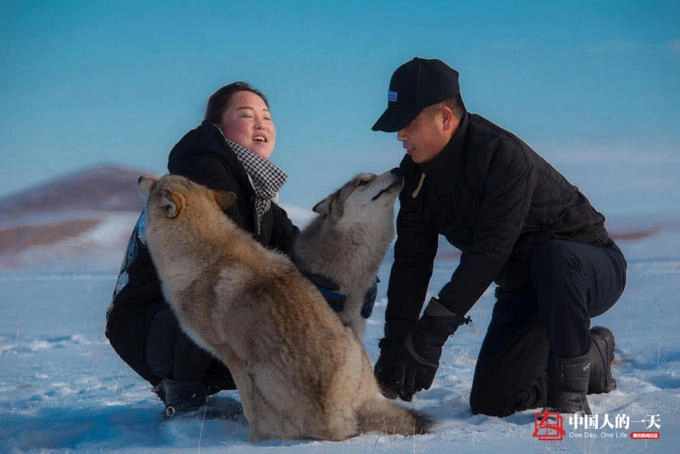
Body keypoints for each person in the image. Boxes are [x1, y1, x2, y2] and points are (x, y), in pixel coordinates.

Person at [371, 57, 627, 416]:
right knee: (495, 402)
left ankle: (570, 389)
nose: (400, 135)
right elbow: (412, 261)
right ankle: (594, 359)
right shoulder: (416, 177)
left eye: (408, 124)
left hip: (588, 268)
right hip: (526, 288)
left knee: (553, 257)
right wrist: (397, 343)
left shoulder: (500, 156)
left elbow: (489, 252)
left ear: (444, 117)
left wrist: (432, 333)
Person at [106, 82, 360, 414]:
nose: (262, 124)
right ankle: (183, 392)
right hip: (151, 326)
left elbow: (298, 249)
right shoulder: (202, 171)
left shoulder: (255, 189)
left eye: (267, 116)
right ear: (217, 127)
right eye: (246, 114)